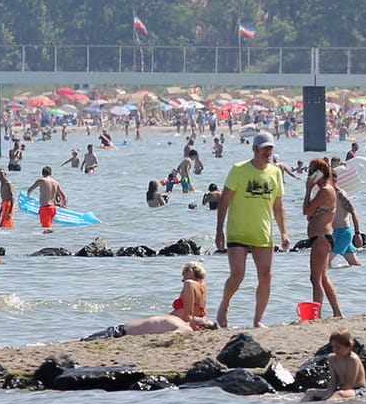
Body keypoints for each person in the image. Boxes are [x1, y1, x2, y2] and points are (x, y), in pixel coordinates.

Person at [215, 132, 290, 329]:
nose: (268, 152)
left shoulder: (275, 173)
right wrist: (219, 231)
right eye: (264, 148)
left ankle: (258, 320)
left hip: (263, 233)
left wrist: (284, 232)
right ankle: (224, 305)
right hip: (237, 231)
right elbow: (224, 201)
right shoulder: (239, 170)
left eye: (270, 148)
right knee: (237, 275)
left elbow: (278, 206)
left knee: (266, 276)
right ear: (255, 149)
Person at [84, 263, 212, 339]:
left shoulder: (189, 284)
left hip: (181, 322)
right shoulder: (203, 287)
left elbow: (187, 314)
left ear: (189, 271)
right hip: (188, 323)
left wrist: (185, 322)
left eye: (183, 273)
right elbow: (199, 311)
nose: (182, 278)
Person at [302, 160, 342, 319]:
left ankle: (315, 315)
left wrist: (308, 190)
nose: (309, 175)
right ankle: (337, 312)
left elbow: (306, 211)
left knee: (315, 278)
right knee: (323, 277)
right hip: (322, 238)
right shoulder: (326, 190)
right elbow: (310, 213)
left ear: (319, 172)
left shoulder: (325, 190)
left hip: (321, 238)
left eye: (312, 172)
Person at [300, 330, 366, 402]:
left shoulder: (353, 359)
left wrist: (330, 397)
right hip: (340, 388)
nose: (334, 350)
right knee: (310, 392)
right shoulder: (332, 358)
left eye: (338, 347)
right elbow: (333, 380)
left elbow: (349, 384)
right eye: (333, 347)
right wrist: (329, 393)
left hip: (356, 389)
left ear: (349, 347)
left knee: (339, 394)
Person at [26, 167, 67, 234]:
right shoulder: (56, 183)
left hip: (45, 208)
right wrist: (63, 206)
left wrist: (28, 198)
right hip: (53, 208)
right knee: (49, 227)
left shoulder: (41, 180)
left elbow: (29, 190)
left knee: (47, 229)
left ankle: (48, 243)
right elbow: (64, 197)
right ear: (50, 173)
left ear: (42, 173)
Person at [331, 187, 362, 269]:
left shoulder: (340, 194)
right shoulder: (327, 193)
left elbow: (353, 212)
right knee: (354, 263)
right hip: (337, 233)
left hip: (342, 233)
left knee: (324, 263)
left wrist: (357, 233)